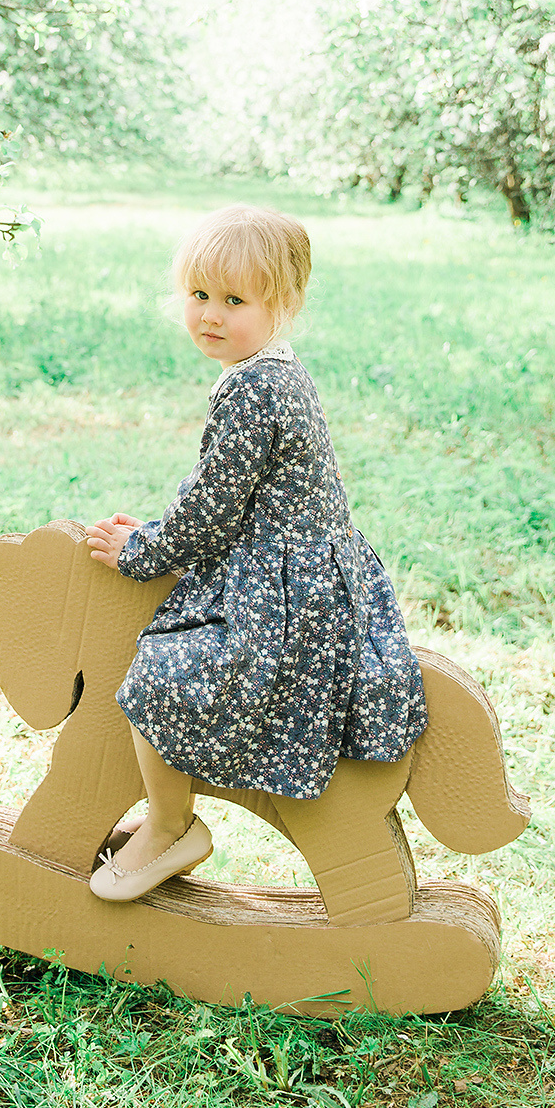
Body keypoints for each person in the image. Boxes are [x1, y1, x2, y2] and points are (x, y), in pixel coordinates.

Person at [85, 204, 427, 902]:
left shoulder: (254, 391)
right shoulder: (273, 373)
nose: (211, 314)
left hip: (289, 599)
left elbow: (211, 509)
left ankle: (172, 824)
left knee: (157, 675)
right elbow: (228, 498)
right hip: (294, 573)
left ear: (285, 303)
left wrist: (139, 550)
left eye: (234, 300)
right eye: (200, 296)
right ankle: (166, 815)